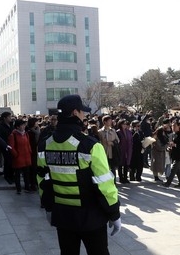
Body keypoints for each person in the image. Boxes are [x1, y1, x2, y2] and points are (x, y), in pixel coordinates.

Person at [36, 95, 121, 254]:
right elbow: (105, 184)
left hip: (62, 216)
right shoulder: (90, 145)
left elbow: (42, 180)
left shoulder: (45, 145)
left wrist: (48, 208)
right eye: (83, 112)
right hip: (91, 217)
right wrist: (114, 214)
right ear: (75, 113)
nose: (85, 116)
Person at [9, 119, 33, 194]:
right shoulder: (13, 135)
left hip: (26, 157)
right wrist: (16, 155)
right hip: (18, 158)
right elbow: (11, 147)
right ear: (18, 126)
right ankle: (18, 188)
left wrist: (30, 151)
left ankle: (27, 188)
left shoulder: (25, 134)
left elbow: (28, 144)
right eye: (22, 125)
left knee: (26, 174)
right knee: (17, 174)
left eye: (24, 125)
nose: (23, 126)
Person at [162, 121, 180, 188]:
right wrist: (169, 148)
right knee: (177, 170)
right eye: (172, 126)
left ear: (178, 126)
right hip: (173, 154)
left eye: (175, 126)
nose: (173, 127)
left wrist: (175, 145)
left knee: (173, 169)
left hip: (179, 155)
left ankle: (168, 183)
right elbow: (170, 144)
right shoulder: (172, 134)